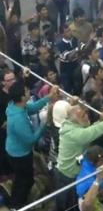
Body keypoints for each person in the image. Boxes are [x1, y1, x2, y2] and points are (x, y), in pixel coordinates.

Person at [5, 80, 59, 209]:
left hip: (14, 149)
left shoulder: (15, 105)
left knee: (21, 178)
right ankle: (17, 205)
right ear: (23, 97)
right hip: (20, 155)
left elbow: (32, 108)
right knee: (25, 181)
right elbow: (31, 139)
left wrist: (48, 97)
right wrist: (45, 123)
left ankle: (17, 198)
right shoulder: (18, 119)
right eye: (27, 91)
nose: (30, 91)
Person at [0, 70, 16, 180]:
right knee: (4, 150)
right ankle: (5, 173)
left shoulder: (15, 92)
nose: (13, 82)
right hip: (3, 128)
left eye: (13, 79)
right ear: (3, 82)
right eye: (9, 80)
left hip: (14, 126)